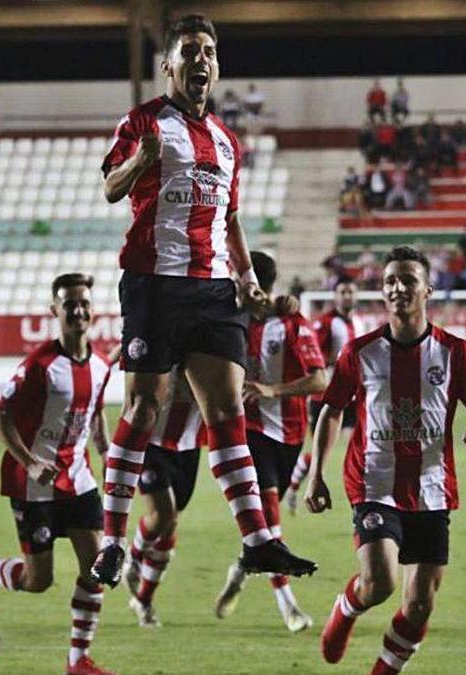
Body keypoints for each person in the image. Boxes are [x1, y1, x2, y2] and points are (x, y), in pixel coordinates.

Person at [94, 13, 316, 587]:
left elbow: (232, 216)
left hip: (215, 289)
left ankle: (258, 539)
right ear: (168, 64)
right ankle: (113, 542)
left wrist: (245, 276)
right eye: (190, 51)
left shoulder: (226, 140)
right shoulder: (142, 122)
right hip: (155, 283)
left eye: (210, 52)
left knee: (227, 410)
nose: (202, 61)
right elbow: (111, 187)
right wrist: (141, 160)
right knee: (143, 411)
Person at [304, 245, 466, 675]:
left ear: (427, 289)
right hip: (374, 482)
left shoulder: (456, 352)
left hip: (432, 487)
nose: (398, 287)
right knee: (380, 582)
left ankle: (385, 669)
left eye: (408, 279)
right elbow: (332, 410)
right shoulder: (360, 351)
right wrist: (316, 473)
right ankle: (347, 607)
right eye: (390, 280)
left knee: (420, 603)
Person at [0, 273, 115, 675]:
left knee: (97, 569)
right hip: (34, 486)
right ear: (54, 311)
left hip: (79, 481)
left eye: (84, 303)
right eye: (69, 304)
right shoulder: (40, 365)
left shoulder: (102, 365)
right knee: (39, 581)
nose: (78, 310)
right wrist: (30, 461)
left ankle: (78, 661)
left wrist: (106, 452)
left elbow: (96, 415)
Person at [214, 251, 326, 633]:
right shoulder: (232, 319)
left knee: (262, 523)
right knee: (271, 517)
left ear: (253, 285)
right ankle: (289, 606)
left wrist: (271, 389)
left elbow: (319, 380)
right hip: (252, 432)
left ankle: (242, 568)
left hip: (290, 432)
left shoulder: (291, 322)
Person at [121, 365, 205, 628]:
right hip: (152, 444)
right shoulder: (161, 352)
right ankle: (133, 557)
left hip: (188, 447)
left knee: (169, 527)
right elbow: (132, 395)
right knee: (163, 515)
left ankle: (144, 601)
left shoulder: (211, 354)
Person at [284, 275, 365, 514]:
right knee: (325, 450)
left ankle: (362, 500)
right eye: (343, 292)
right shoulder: (324, 323)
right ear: (335, 296)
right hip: (326, 397)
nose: (347, 296)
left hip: (353, 394)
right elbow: (310, 354)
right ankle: (295, 482)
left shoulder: (359, 322)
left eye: (351, 291)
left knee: (356, 445)